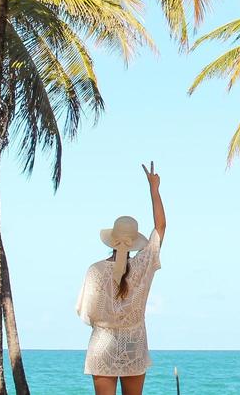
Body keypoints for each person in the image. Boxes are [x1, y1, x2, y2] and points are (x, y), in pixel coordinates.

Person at [76, 162, 167, 394]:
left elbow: (86, 313)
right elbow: (161, 227)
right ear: (134, 241)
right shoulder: (142, 266)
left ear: (111, 240)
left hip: (101, 344)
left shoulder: (95, 270)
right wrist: (154, 188)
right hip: (133, 342)